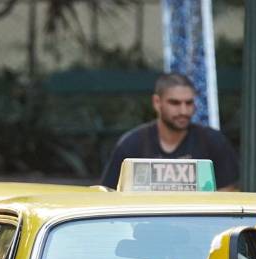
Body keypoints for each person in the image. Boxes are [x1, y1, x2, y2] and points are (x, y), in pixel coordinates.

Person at [100, 72, 241, 191]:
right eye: (175, 103)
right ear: (157, 102)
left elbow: (227, 195)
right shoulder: (132, 145)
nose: (183, 111)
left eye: (189, 103)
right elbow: (108, 195)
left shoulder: (213, 141)